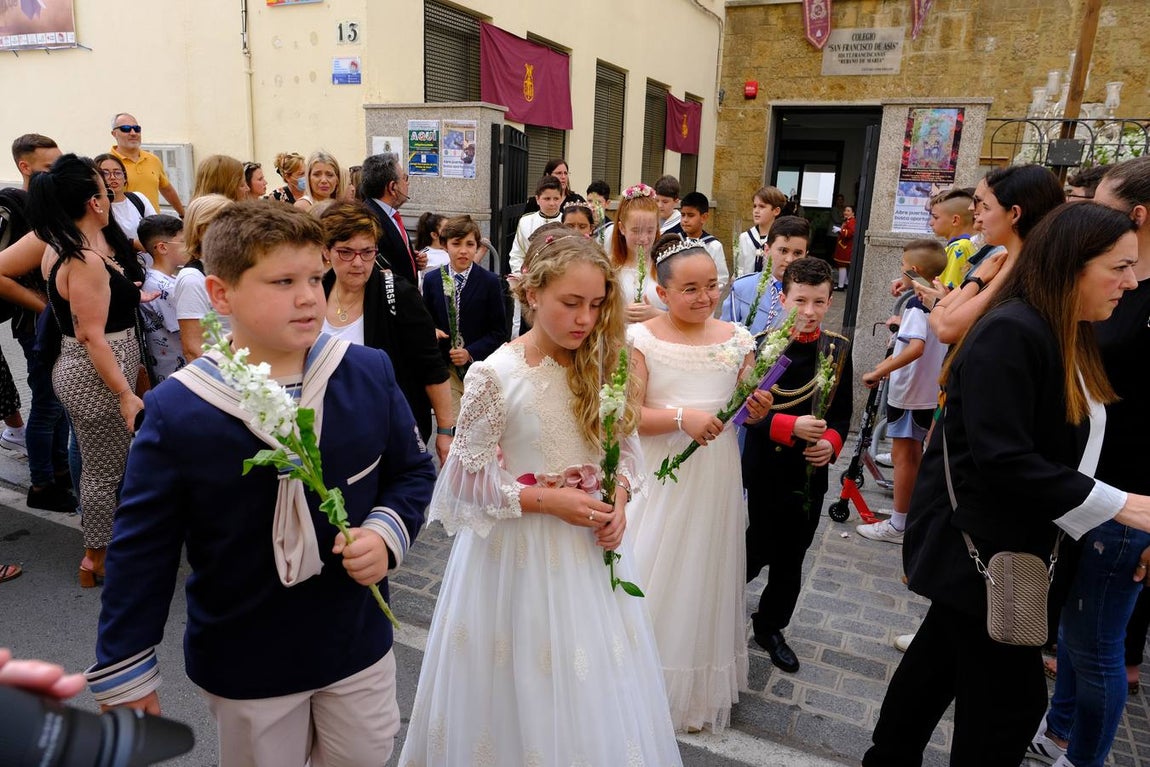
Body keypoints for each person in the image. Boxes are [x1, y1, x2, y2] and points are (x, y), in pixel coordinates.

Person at [86, 201, 436, 767]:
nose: (308, 296)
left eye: (315, 277)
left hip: (356, 640)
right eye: (282, 282)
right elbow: (142, 547)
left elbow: (411, 472)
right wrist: (126, 668)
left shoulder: (366, 371)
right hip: (248, 653)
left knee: (368, 755)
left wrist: (385, 532)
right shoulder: (178, 409)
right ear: (222, 296)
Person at [863, 202, 1150, 767]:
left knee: (939, 668)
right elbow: (1003, 458)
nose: (1132, 281)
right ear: (1073, 263)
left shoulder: (1065, 330)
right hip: (987, 549)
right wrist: (1125, 507)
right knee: (1006, 712)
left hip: (1004, 550)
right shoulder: (1015, 332)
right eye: (1119, 266)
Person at [398, 231, 682, 767]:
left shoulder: (604, 362)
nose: (584, 319)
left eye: (597, 305)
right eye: (570, 303)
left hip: (590, 558)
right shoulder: (494, 375)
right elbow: (463, 482)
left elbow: (624, 450)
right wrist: (548, 502)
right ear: (531, 294)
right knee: (518, 683)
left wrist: (618, 499)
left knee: (592, 686)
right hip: (516, 559)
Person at [1027, 158, 1150, 767]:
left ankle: (1084, 756)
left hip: (1126, 502)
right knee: (1076, 634)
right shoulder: (1101, 298)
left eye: (1096, 202)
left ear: (1136, 215)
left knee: (1098, 643)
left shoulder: (1130, 296)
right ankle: (1058, 730)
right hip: (1089, 491)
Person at [627, 234, 770, 732]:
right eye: (689, 288)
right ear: (661, 293)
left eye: (711, 285)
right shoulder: (642, 341)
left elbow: (742, 411)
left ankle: (687, 694)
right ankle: (633, 677)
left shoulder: (738, 339)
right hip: (661, 472)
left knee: (701, 573)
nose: (704, 297)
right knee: (649, 563)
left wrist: (755, 410)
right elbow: (628, 415)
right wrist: (681, 417)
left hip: (715, 474)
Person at [28, 154, 145, 587]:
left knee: (104, 467)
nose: (111, 194)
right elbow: (92, 336)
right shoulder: (84, 258)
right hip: (95, 373)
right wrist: (124, 393)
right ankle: (96, 558)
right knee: (103, 472)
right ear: (95, 202)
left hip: (86, 367)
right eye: (104, 187)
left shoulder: (63, 246)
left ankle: (102, 551)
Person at [744, 257, 852, 674]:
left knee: (792, 556)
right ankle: (714, 610)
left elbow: (841, 413)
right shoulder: (762, 346)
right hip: (766, 469)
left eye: (819, 302)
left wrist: (830, 442)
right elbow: (745, 415)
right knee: (755, 548)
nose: (809, 312)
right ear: (783, 298)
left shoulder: (837, 349)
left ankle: (770, 626)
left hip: (810, 473)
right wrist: (791, 424)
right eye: (800, 300)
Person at [317, 201, 454, 461]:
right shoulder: (315, 293)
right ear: (327, 251)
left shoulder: (399, 295)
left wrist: (445, 431)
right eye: (346, 252)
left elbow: (431, 367)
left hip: (386, 436)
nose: (358, 262)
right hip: (327, 435)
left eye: (367, 252)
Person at [856, 239, 948, 545]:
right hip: (927, 391)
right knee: (911, 454)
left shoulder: (916, 304)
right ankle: (909, 514)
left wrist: (878, 371)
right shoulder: (940, 296)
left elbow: (916, 348)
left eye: (902, 266)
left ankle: (898, 524)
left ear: (914, 269)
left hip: (909, 391)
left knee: (903, 456)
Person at [0, 133, 73, 513]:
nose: (56, 175)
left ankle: (61, 474)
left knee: (59, 403)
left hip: (56, 324)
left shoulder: (50, 205)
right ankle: (43, 486)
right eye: (49, 168)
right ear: (25, 168)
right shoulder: (11, 207)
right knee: (46, 405)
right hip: (34, 325)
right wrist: (44, 306)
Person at [921, 164, 1065, 344]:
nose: (977, 215)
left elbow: (945, 328)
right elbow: (943, 315)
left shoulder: (1020, 270)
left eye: (986, 207)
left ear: (1014, 214)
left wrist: (974, 281)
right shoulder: (999, 260)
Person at [422, 215, 507, 418]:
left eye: (470, 244)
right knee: (452, 422)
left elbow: (499, 332)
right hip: (446, 367)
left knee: (475, 423)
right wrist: (431, 330)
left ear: (477, 247)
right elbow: (426, 320)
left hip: (478, 368)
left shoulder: (489, 282)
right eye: (456, 243)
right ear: (444, 245)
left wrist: (470, 352)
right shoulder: (433, 280)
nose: (463, 250)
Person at [721, 216, 811, 334]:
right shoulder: (742, 287)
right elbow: (724, 333)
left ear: (806, 255)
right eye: (783, 251)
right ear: (767, 250)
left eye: (798, 253)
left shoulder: (810, 295)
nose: (789, 259)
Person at [173, 194, 233, 363]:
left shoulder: (230, 269)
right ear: (201, 231)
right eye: (224, 224)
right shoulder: (192, 279)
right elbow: (193, 349)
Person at [508, 175, 565, 335]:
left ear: (562, 198)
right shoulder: (526, 221)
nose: (552, 203)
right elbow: (517, 253)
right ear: (537, 199)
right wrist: (522, 275)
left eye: (556, 198)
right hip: (530, 281)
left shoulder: (566, 220)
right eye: (547, 198)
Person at [137, 214, 187, 384]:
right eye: (183, 241)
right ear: (162, 248)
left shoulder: (156, 279)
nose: (189, 246)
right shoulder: (163, 287)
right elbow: (186, 328)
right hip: (175, 371)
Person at [360, 152, 423, 286]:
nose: (408, 183)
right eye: (404, 178)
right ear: (393, 187)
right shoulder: (369, 220)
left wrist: (411, 258)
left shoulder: (389, 214)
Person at [108, 113, 185, 216]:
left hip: (152, 227)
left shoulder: (153, 160)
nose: (133, 133)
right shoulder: (107, 164)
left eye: (136, 129)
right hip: (124, 228)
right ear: (114, 134)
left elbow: (167, 189)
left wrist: (183, 215)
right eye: (126, 129)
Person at [609, 182, 663, 323]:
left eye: (650, 231)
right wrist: (617, 315)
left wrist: (657, 314)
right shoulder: (609, 267)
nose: (644, 238)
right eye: (636, 230)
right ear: (622, 228)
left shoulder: (665, 266)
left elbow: (683, 315)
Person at [94, 153, 155, 252]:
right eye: (105, 173)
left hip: (149, 262)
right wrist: (132, 244)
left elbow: (156, 228)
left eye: (117, 173)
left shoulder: (138, 198)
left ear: (125, 177)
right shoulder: (96, 207)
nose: (112, 177)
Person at [678, 191, 730, 290]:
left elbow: (721, 279)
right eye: (683, 215)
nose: (685, 219)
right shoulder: (675, 241)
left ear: (704, 217)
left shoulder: (713, 246)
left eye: (690, 215)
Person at [928, 188, 976, 289]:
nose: (930, 223)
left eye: (936, 217)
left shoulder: (958, 247)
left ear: (955, 220)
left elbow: (947, 291)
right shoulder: (963, 245)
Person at [737, 185, 786, 276]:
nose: (756, 210)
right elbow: (740, 267)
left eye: (762, 206)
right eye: (754, 206)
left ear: (776, 211)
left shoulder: (781, 239)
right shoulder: (745, 237)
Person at [415, 211, 449, 277]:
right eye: (446, 230)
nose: (451, 232)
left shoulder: (449, 251)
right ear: (434, 235)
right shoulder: (424, 257)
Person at [831, 205, 855, 290]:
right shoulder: (847, 221)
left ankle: (841, 286)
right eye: (845, 210)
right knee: (844, 266)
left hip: (845, 247)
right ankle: (845, 283)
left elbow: (851, 233)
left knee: (842, 265)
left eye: (848, 211)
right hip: (843, 246)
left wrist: (840, 230)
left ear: (853, 213)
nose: (845, 212)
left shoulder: (851, 221)